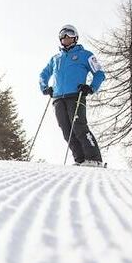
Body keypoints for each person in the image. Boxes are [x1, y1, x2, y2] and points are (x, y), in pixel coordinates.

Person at [39, 24, 105, 166]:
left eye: (69, 34)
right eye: (63, 36)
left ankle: (94, 159)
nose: (66, 38)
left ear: (75, 37)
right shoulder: (56, 58)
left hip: (76, 95)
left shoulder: (85, 55)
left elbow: (99, 73)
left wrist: (91, 87)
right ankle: (80, 159)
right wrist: (45, 87)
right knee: (66, 130)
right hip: (58, 98)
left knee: (79, 126)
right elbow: (43, 74)